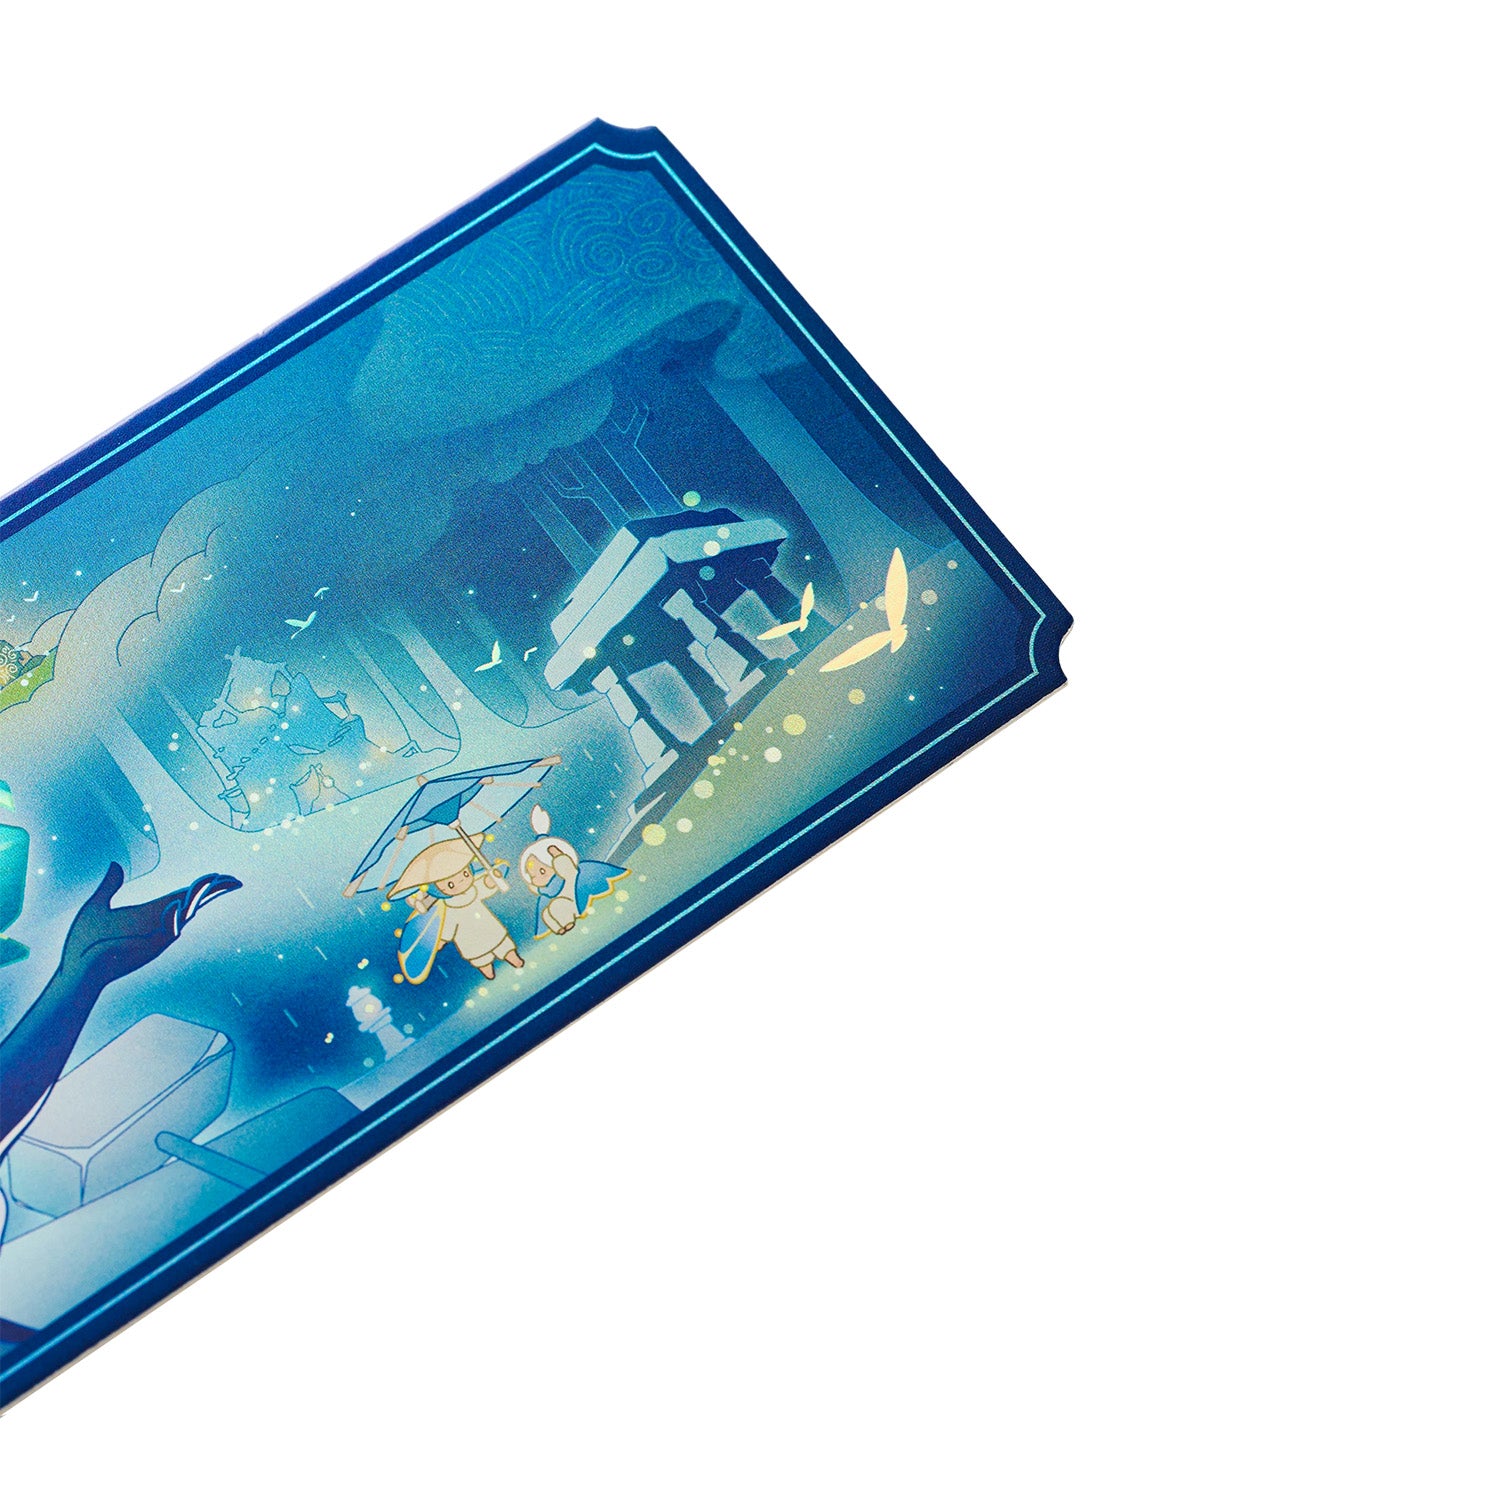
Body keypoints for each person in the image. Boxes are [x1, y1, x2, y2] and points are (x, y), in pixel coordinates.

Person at [389, 836, 523, 980]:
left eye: (465, 874)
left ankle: (514, 960)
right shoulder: (449, 908)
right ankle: (489, 972)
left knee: (503, 946)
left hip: (490, 929)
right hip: (469, 939)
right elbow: (448, 925)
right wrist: (442, 940)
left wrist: (491, 880)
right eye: (451, 884)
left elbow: (484, 887)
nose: (461, 882)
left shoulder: (472, 891)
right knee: (480, 958)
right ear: (437, 889)